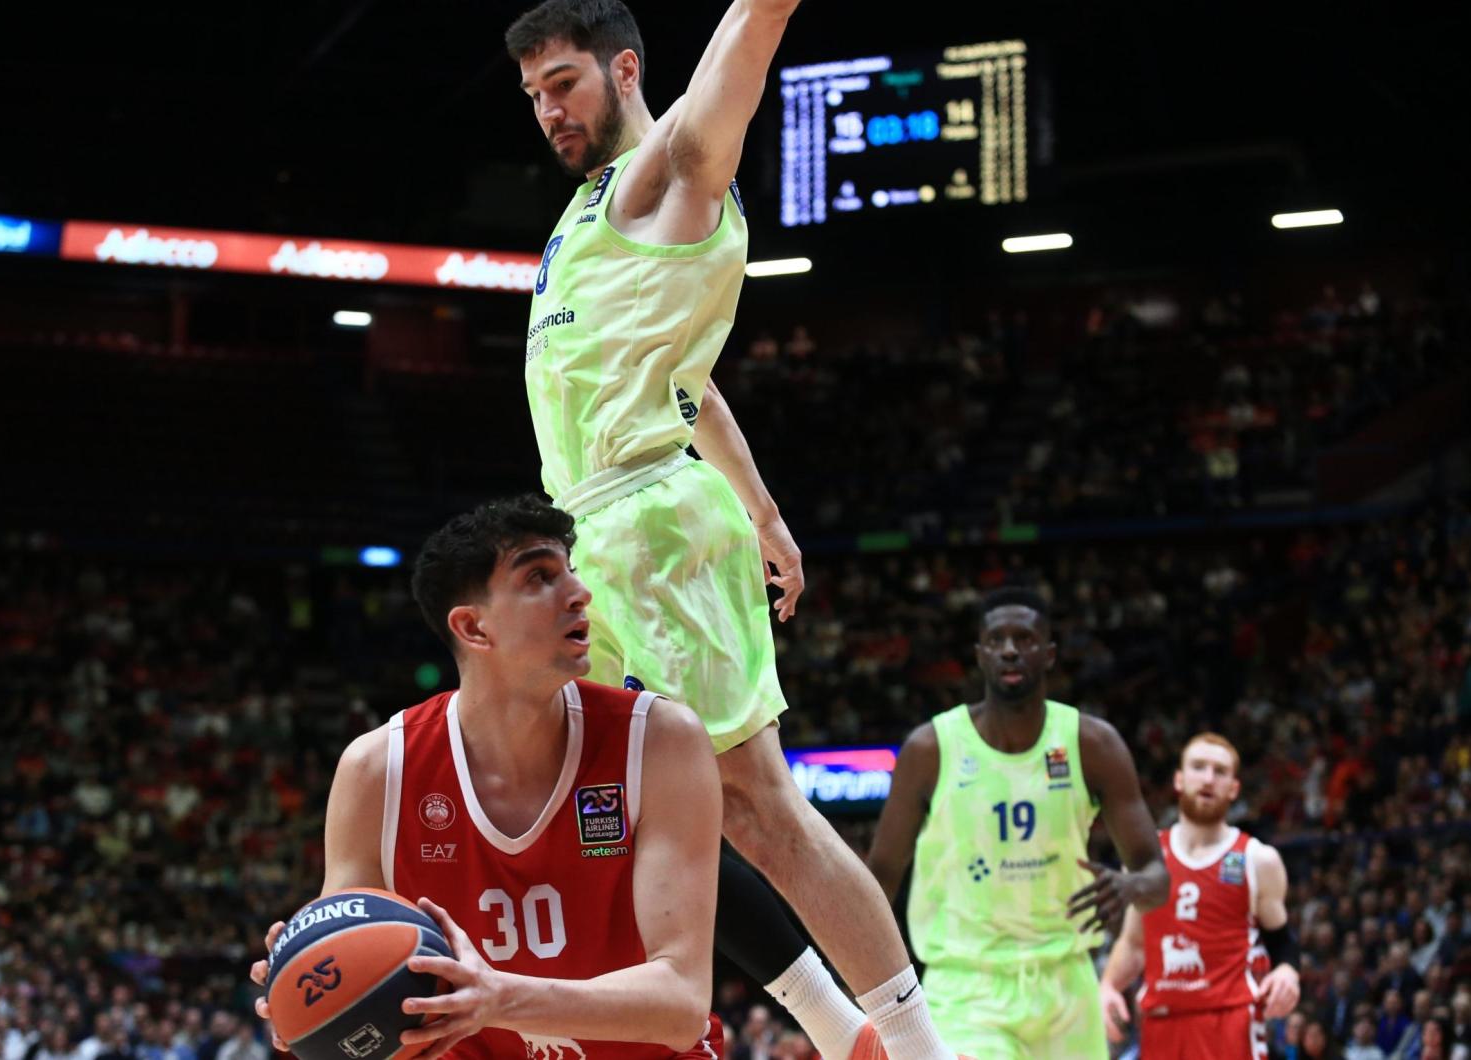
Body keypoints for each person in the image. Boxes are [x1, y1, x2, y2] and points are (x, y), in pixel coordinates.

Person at [505, 2, 952, 1054]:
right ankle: (835, 1026)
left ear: (623, 69)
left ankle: (916, 1046)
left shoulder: (668, 174)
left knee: (758, 806)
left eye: (562, 83)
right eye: (531, 96)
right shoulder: (588, 214)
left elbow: (733, 68)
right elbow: (689, 385)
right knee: (617, 812)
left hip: (649, 522)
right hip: (593, 533)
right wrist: (762, 508)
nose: (546, 111)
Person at [253, 497, 725, 1057]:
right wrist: (302, 996)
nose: (579, 593)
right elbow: (344, 979)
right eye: (540, 577)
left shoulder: (660, 739)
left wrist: (498, 998)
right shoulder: (377, 771)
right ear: (473, 627)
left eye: (571, 571)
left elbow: (680, 1005)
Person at [865, 587, 1172, 1058]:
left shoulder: (1092, 744)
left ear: (1048, 654)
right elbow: (880, 877)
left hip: (1067, 982)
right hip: (966, 988)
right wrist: (866, 985)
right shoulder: (931, 749)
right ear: (980, 654)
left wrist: (1130, 888)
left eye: (1024, 638)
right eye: (997, 639)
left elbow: (1156, 876)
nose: (1010, 649)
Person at [1099, 732, 1302, 1058]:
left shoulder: (1257, 859)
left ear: (1234, 789)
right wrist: (1108, 986)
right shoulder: (1146, 858)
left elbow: (1281, 940)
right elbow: (1134, 943)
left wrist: (1288, 971)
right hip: (1161, 1021)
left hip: (1229, 1020)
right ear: (1179, 779)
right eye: (1198, 767)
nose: (1208, 778)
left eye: (1220, 771)